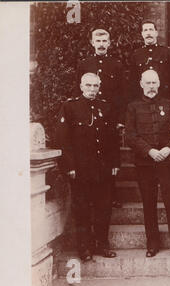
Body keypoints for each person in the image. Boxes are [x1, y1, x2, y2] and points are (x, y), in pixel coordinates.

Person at [125, 69, 170, 260]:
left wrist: (167, 148)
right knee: (149, 203)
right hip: (144, 163)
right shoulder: (133, 107)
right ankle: (152, 244)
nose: (151, 87)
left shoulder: (169, 105)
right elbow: (130, 136)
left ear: (159, 84)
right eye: (147, 83)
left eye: (154, 83)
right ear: (141, 84)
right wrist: (149, 151)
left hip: (167, 161)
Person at [56, 73, 119, 261]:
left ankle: (102, 245)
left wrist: (115, 162)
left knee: (104, 207)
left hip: (104, 168)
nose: (92, 90)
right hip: (81, 169)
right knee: (82, 209)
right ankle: (84, 248)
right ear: (81, 86)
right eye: (88, 86)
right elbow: (63, 139)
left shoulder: (106, 106)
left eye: (95, 86)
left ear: (100, 87)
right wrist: (69, 166)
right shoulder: (70, 107)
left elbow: (113, 138)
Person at [76, 28, 125, 209]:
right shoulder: (84, 64)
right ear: (92, 43)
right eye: (98, 40)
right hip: (89, 115)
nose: (102, 44)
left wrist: (120, 119)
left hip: (109, 115)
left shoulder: (116, 64)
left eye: (105, 40)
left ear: (110, 43)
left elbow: (121, 93)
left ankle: (111, 194)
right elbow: (78, 90)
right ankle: (94, 195)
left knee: (110, 153)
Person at [129, 20, 170, 101]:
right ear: (142, 34)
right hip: (143, 99)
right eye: (145, 30)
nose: (148, 33)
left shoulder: (167, 52)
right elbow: (133, 81)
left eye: (151, 30)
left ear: (156, 33)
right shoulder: (136, 54)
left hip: (164, 97)